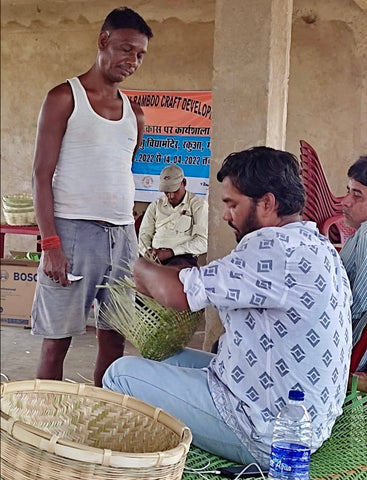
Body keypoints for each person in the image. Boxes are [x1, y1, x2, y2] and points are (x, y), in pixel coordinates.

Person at [103, 146, 352, 468]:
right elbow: (206, 280)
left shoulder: (271, 247)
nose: (225, 215)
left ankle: (142, 467)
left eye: (232, 204)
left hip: (267, 433)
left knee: (120, 374)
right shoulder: (312, 243)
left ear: (267, 203)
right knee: (166, 356)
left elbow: (175, 292)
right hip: (299, 420)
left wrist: (133, 263)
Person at [31, 7, 153, 387]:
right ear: (103, 41)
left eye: (140, 55)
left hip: (122, 237)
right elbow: (40, 174)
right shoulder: (64, 98)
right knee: (58, 340)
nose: (132, 61)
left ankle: (100, 412)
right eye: (125, 50)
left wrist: (129, 236)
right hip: (71, 235)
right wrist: (51, 242)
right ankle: (44, 421)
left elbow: (121, 170)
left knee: (114, 338)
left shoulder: (135, 113)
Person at [138, 164, 208, 267]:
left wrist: (172, 252)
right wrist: (147, 251)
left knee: (172, 270)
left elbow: (203, 242)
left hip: (182, 257)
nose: (170, 196)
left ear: (183, 183)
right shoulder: (155, 206)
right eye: (167, 192)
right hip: (155, 257)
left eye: (175, 191)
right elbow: (144, 235)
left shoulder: (198, 205)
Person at [340, 156, 367, 373]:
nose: (345, 201)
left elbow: (355, 306)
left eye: (357, 195)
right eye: (348, 191)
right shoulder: (360, 234)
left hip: (353, 355)